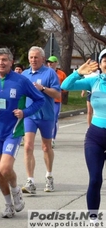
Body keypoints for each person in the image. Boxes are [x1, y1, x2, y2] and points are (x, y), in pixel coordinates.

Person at [0, 48, 45, 218]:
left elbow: (40, 99)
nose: (1, 63)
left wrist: (25, 112)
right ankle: (8, 204)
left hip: (13, 131)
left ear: (11, 61)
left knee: (5, 167)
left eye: (4, 60)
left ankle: (16, 190)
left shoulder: (21, 81)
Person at [60, 51, 105, 222]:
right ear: (100, 65)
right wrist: (78, 72)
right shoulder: (94, 81)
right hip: (96, 136)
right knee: (95, 180)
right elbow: (66, 85)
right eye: (105, 60)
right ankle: (93, 220)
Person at [21, 47, 61, 194]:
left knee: (46, 147)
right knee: (28, 146)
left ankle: (49, 175)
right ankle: (30, 180)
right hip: (30, 116)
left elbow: (57, 93)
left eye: (36, 57)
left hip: (46, 116)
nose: (33, 60)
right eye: (31, 57)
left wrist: (42, 88)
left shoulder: (50, 73)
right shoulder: (24, 74)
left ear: (43, 59)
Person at [46, 56, 67, 148]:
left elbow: (66, 87)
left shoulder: (61, 74)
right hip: (46, 100)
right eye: (48, 62)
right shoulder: (44, 73)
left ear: (56, 63)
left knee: (54, 119)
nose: (50, 64)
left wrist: (59, 89)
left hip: (56, 101)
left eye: (52, 62)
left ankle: (52, 139)